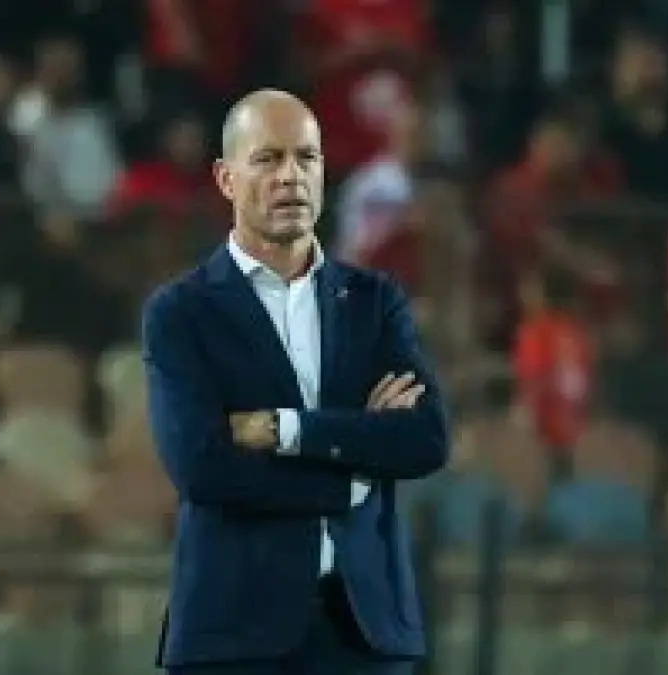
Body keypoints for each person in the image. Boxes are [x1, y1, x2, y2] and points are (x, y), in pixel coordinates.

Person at [142, 89, 449, 675]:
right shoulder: (181, 313)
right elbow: (203, 467)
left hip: (365, 636)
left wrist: (285, 431)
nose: (290, 176)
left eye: (306, 158)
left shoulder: (373, 302)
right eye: (268, 159)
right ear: (226, 178)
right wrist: (350, 472)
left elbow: (425, 438)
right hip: (234, 638)